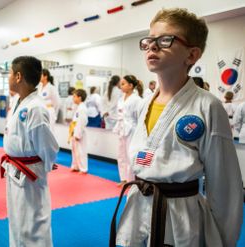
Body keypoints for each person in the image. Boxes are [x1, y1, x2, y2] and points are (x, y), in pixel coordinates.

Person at [110, 8, 243, 247]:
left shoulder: (207, 106)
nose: (152, 46)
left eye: (165, 40)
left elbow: (225, 188)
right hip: (140, 204)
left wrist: (223, 241)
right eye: (149, 40)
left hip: (180, 214)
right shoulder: (145, 103)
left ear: (192, 55)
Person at [0, 56, 59, 247]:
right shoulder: (20, 102)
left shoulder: (35, 108)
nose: (8, 77)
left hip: (30, 173)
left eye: (9, 73)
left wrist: (42, 167)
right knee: (17, 219)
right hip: (15, 169)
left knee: (34, 222)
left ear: (18, 76)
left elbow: (48, 147)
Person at [113, 75, 142, 186]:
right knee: (121, 155)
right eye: (121, 83)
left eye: (123, 84)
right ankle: (123, 178)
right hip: (121, 128)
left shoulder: (137, 100)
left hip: (132, 129)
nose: (121, 86)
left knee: (130, 155)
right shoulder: (121, 98)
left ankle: (131, 180)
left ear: (131, 86)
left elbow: (140, 117)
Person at [69, 89, 88, 174]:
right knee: (74, 150)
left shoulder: (82, 108)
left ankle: (83, 168)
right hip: (75, 129)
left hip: (79, 131)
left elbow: (82, 122)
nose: (73, 98)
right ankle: (76, 166)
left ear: (80, 98)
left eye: (74, 96)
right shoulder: (78, 107)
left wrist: (78, 134)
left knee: (81, 151)